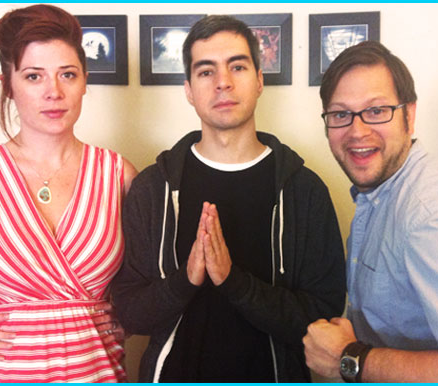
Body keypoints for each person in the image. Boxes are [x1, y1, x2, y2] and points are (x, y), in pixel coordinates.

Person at [111, 15, 346, 382]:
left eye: (237, 66)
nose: (223, 82)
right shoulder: (153, 188)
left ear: (259, 81)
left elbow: (322, 318)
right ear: (188, 89)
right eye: (206, 71)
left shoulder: (304, 191)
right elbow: (130, 313)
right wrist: (186, 279)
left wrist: (233, 282)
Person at [0, 4, 137, 382]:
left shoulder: (117, 173)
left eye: (68, 74)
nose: (54, 91)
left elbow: (152, 276)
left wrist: (132, 316)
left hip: (96, 373)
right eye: (34, 76)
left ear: (84, 81)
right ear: (9, 84)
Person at [303, 40, 438, 383]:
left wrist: (348, 358)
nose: (357, 130)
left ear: (409, 116)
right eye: (340, 114)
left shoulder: (436, 216)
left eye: (377, 111)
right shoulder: (379, 195)